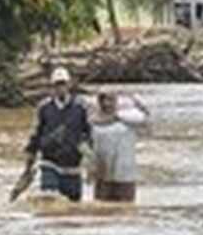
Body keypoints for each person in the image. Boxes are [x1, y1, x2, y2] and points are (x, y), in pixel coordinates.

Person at [23, 67, 92, 202]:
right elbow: (35, 135)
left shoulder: (81, 107)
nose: (60, 88)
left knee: (73, 205)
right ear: (52, 87)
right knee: (49, 200)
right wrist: (28, 165)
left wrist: (90, 160)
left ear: (69, 85)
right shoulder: (44, 108)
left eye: (63, 84)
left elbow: (90, 133)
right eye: (57, 85)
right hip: (50, 164)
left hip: (73, 166)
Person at [90, 92, 148, 203]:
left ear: (116, 102)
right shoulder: (93, 122)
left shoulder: (129, 119)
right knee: (101, 209)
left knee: (125, 210)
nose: (107, 104)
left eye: (110, 100)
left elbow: (145, 119)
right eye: (103, 100)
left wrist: (138, 102)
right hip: (102, 176)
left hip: (125, 176)